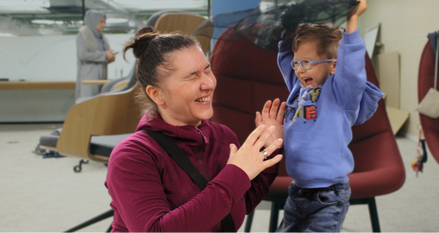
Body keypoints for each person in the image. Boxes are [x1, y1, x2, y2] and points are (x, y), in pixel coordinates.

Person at [105, 26, 286, 232]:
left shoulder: (222, 136)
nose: (208, 83)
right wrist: (236, 174)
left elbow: (237, 205)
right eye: (192, 77)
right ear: (157, 94)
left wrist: (268, 151)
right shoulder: (132, 156)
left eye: (207, 70)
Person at [276, 0, 384, 232]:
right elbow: (286, 58)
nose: (299, 69)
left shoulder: (341, 93)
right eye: (297, 63)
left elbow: (352, 68)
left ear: (334, 66)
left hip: (329, 194)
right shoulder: (299, 88)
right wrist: (289, 28)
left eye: (306, 62)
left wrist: (352, 20)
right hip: (298, 189)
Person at [75, 10, 116, 101]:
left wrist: (109, 56)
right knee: (88, 103)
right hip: (89, 77)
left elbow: (103, 54)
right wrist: (104, 55)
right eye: (101, 22)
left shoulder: (101, 37)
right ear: (93, 21)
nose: (103, 25)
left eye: (104, 22)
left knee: (99, 103)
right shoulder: (83, 35)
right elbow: (83, 55)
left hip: (101, 76)